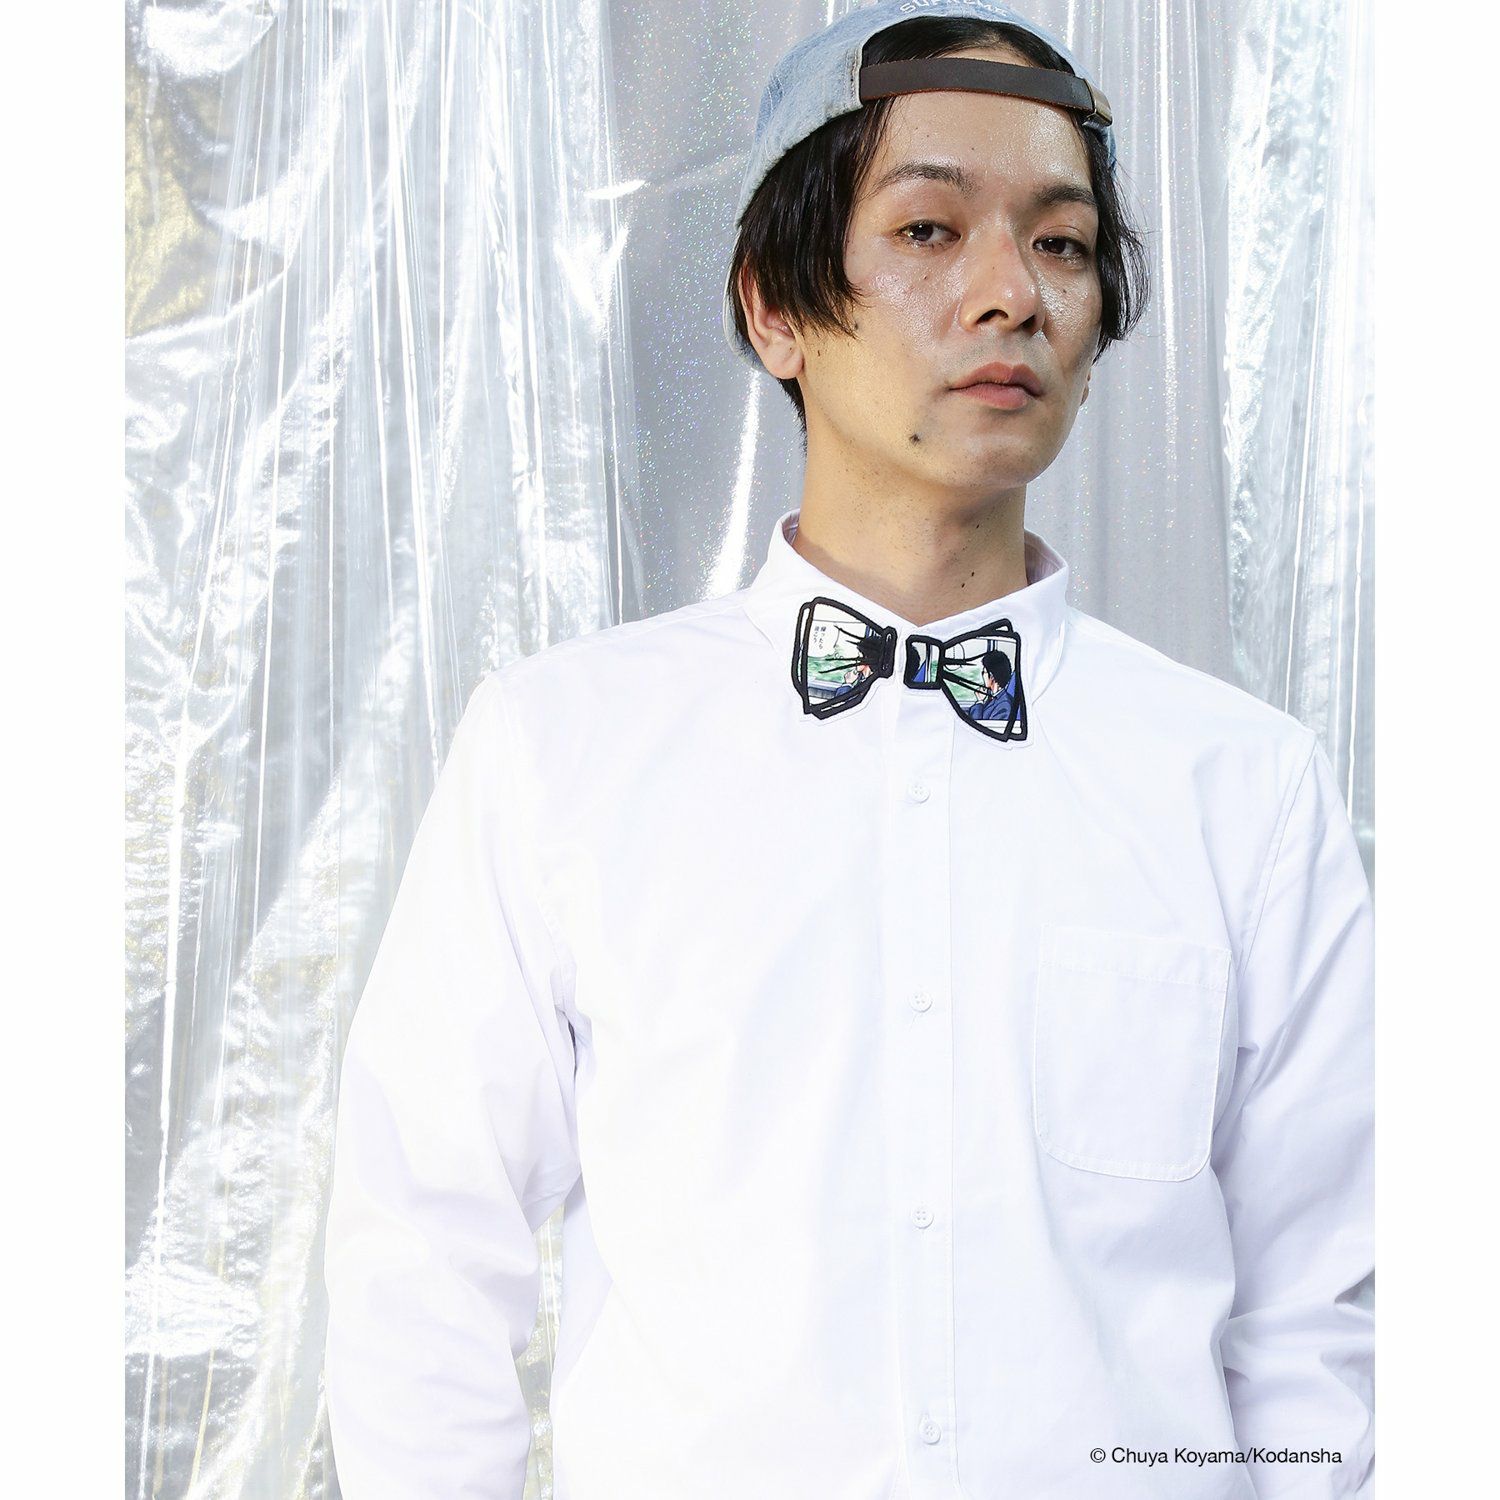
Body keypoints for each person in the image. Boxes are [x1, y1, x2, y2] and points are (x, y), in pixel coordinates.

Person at [322, 4, 1374, 1498]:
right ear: (774, 307)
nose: (1011, 295)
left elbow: (1323, 1316)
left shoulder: (1244, 787)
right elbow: (422, 1265)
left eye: (1062, 244)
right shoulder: (559, 753)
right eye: (930, 230)